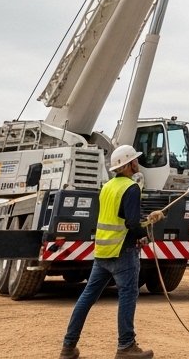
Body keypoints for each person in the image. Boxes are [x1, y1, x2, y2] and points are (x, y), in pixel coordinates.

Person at [59, 145, 162, 359]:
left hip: (103, 252)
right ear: (127, 165)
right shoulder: (132, 188)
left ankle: (68, 347)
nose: (137, 162)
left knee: (87, 297)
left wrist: (148, 219)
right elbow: (132, 224)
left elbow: (118, 218)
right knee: (127, 296)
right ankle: (126, 346)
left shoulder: (107, 187)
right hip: (123, 253)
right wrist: (147, 231)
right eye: (134, 160)